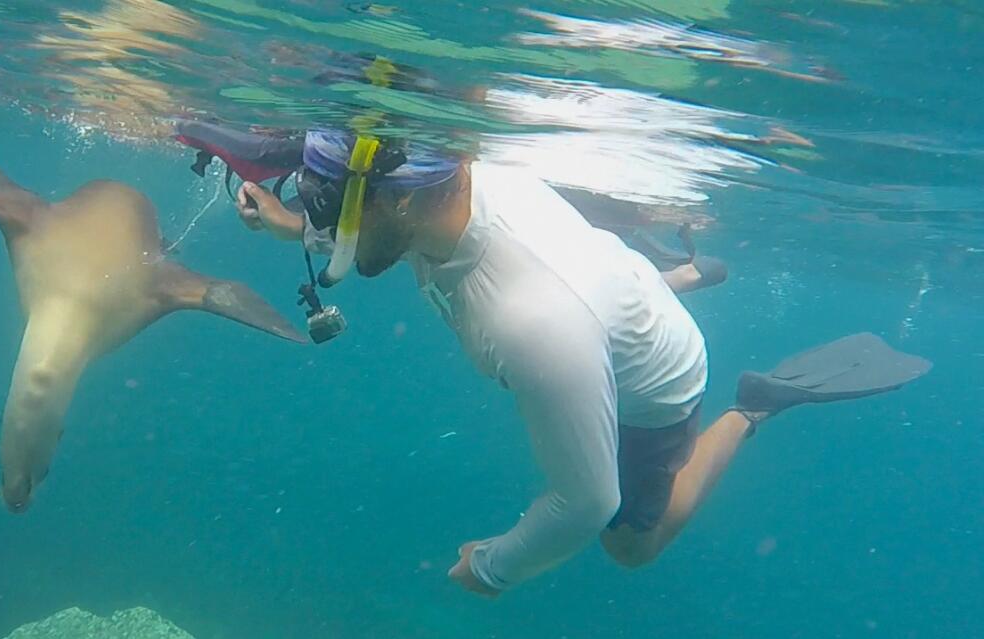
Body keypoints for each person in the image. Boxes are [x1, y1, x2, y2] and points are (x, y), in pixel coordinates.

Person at [231, 130, 929, 597]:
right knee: (586, 298)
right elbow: (383, 220)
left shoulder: (537, 322)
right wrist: (298, 222)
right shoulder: (446, 183)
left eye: (323, 198)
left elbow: (588, 505)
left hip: (652, 394)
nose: (314, 212)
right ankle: (661, 280)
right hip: (587, 299)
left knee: (631, 547)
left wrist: (492, 568)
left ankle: (755, 407)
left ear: (401, 199)